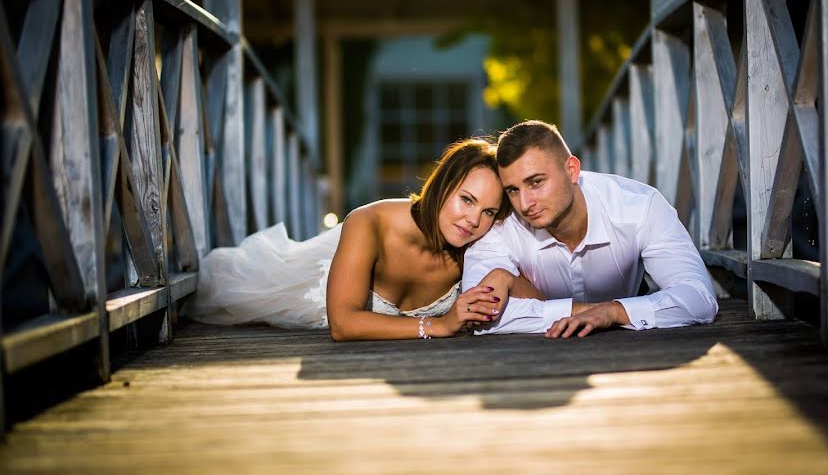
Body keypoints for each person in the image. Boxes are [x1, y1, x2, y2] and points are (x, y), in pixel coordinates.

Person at [188, 138, 513, 340]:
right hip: (293, 289)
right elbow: (342, 325)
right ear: (442, 186)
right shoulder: (368, 221)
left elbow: (534, 291)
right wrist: (439, 325)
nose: (474, 220)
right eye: (466, 200)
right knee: (219, 288)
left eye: (488, 211)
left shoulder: (479, 244)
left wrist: (506, 279)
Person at [463, 120, 718, 338]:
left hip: (631, 356)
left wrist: (614, 311)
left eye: (536, 182)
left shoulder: (639, 206)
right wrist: (585, 310)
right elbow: (476, 314)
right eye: (513, 190)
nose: (525, 204)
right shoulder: (501, 225)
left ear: (572, 170)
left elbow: (698, 297)